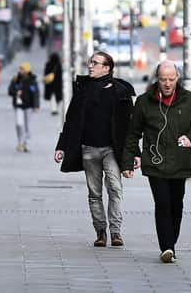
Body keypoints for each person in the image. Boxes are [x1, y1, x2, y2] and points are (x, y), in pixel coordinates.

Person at [121, 60, 191, 263]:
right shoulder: (144, 102)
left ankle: (171, 242)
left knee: (176, 205)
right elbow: (132, 133)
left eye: (171, 79)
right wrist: (128, 161)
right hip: (155, 161)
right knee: (162, 204)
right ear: (157, 79)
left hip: (180, 162)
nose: (168, 83)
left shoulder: (189, 99)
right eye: (163, 80)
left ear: (177, 79)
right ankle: (167, 247)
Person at [54, 51, 135, 247]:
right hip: (88, 149)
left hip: (111, 150)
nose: (91, 66)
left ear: (107, 68)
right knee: (94, 192)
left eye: (96, 63)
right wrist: (62, 146)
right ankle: (101, 231)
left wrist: (134, 154)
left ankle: (115, 232)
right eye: (90, 62)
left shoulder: (120, 92)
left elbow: (129, 127)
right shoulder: (83, 91)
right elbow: (71, 120)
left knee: (115, 188)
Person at [8, 62, 40, 152]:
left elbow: (35, 94)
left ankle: (25, 143)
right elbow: (10, 91)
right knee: (19, 124)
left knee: (27, 126)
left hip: (28, 106)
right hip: (18, 106)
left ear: (27, 70)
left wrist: (36, 106)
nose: (20, 70)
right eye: (20, 69)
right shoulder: (15, 79)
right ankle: (20, 141)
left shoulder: (32, 80)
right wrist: (15, 93)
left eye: (22, 69)